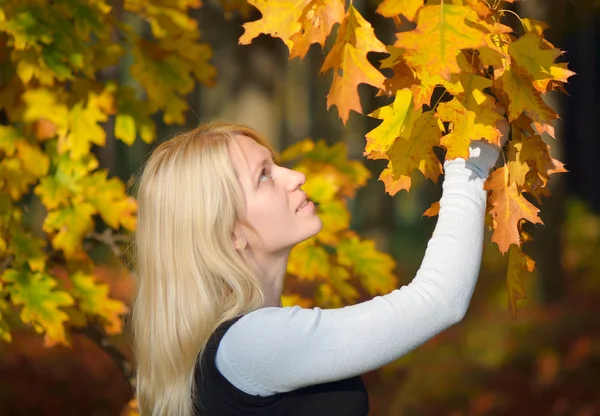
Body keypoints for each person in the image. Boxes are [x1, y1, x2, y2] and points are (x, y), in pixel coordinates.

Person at [130, 121, 508, 416]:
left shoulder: (240, 345)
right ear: (229, 233)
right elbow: (439, 300)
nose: (295, 177)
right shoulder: (250, 345)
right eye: (263, 175)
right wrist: (469, 166)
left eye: (274, 163)